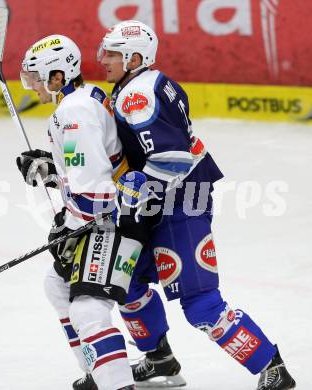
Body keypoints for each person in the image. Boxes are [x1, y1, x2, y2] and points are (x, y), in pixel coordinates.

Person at [96, 20, 297, 390]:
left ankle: (272, 366)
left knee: (201, 303)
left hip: (181, 200)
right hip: (161, 199)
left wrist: (140, 185)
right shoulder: (140, 84)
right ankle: (160, 359)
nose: (102, 58)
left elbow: (173, 160)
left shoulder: (137, 95)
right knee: (126, 282)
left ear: (134, 57)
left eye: (111, 52)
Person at [16, 34, 148, 390]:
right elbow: (89, 169)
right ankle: (97, 371)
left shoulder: (73, 113)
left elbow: (95, 194)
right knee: (57, 286)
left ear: (58, 77)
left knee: (88, 309)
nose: (32, 87)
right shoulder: (85, 98)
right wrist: (50, 170)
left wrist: (67, 226)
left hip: (113, 221)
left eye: (37, 77)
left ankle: (118, 384)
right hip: (108, 214)